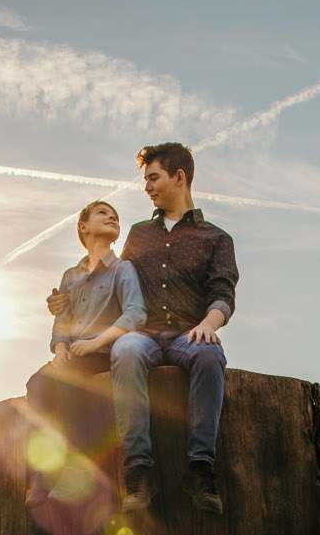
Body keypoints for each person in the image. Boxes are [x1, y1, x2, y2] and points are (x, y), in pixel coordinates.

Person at [49, 141, 238, 515]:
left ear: (179, 177)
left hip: (190, 335)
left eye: (153, 178)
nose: (147, 187)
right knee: (126, 350)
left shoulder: (216, 238)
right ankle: (138, 471)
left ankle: (200, 468)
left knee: (211, 355)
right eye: (145, 179)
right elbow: (112, 277)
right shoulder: (138, 234)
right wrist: (67, 298)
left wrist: (208, 324)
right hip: (143, 336)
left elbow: (223, 292)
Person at [25, 199, 145, 506]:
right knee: (36, 384)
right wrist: (61, 347)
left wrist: (94, 343)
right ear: (83, 227)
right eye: (103, 213)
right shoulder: (70, 276)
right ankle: (43, 470)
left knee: (71, 383)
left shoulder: (123, 269)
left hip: (105, 352)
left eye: (115, 215)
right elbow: (62, 320)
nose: (112, 217)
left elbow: (134, 314)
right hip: (73, 355)